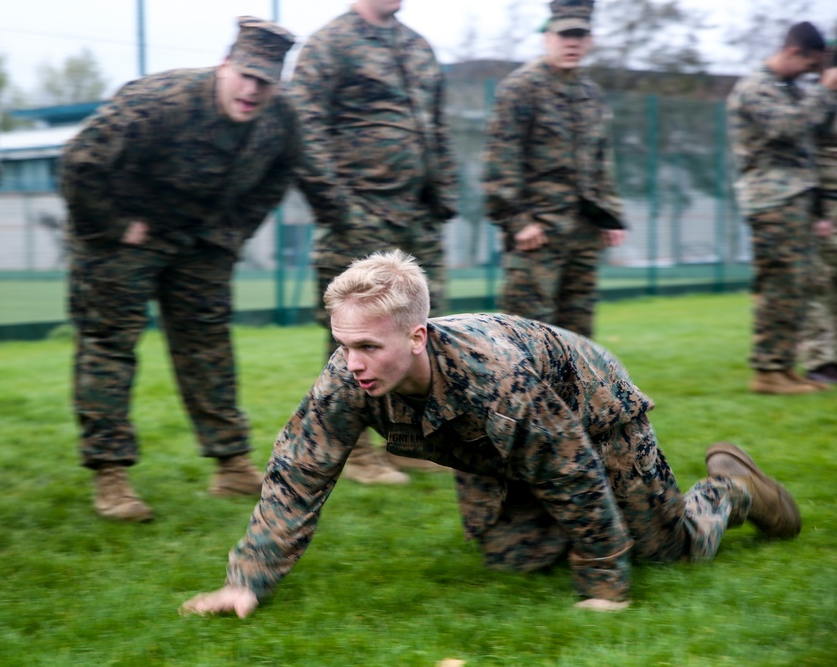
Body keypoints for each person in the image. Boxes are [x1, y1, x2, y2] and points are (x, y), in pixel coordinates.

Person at [181, 250, 801, 617]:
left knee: (667, 549)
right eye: (343, 345)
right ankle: (579, 522)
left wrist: (604, 580)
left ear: (416, 337)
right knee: (513, 560)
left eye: (368, 346)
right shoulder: (348, 380)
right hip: (495, 445)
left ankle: (732, 489)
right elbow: (297, 474)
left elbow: (572, 468)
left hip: (590, 412)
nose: (352, 363)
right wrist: (247, 579)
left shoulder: (495, 381)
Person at [61, 17, 299, 519]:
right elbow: (80, 160)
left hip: (201, 240)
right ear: (225, 66)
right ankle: (111, 476)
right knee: (109, 343)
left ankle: (231, 464)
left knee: (207, 342)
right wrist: (114, 226)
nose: (253, 91)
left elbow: (280, 173)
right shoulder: (160, 101)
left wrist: (233, 233)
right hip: (125, 236)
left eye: (266, 82)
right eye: (246, 76)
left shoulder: (281, 119)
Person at [289, 0, 459, 484]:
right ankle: (355, 450)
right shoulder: (329, 44)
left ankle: (407, 440)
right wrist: (339, 207)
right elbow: (303, 127)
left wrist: (443, 194)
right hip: (360, 214)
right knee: (354, 338)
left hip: (417, 215)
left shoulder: (417, 45)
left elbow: (437, 124)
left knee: (418, 334)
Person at [483, 0, 625, 340]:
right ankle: (522, 395)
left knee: (578, 334)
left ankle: (572, 394)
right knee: (527, 333)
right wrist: (518, 221)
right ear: (547, 37)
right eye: (564, 35)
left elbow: (601, 159)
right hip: (538, 233)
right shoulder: (521, 89)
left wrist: (610, 215)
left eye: (580, 35)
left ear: (590, 40)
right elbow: (500, 161)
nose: (572, 43)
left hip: (583, 231)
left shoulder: (591, 94)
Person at [727, 21, 837, 394]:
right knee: (778, 285)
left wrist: (819, 210)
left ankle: (784, 367)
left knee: (797, 287)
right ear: (794, 52)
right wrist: (823, 91)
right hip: (772, 201)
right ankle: (767, 370)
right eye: (810, 65)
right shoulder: (756, 87)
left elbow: (811, 141)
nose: (812, 73)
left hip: (796, 201)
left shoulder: (787, 89)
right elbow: (788, 129)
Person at [801, 64, 837, 385]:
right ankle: (820, 360)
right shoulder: (816, 99)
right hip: (824, 203)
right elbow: (803, 146)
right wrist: (817, 211)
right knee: (818, 284)